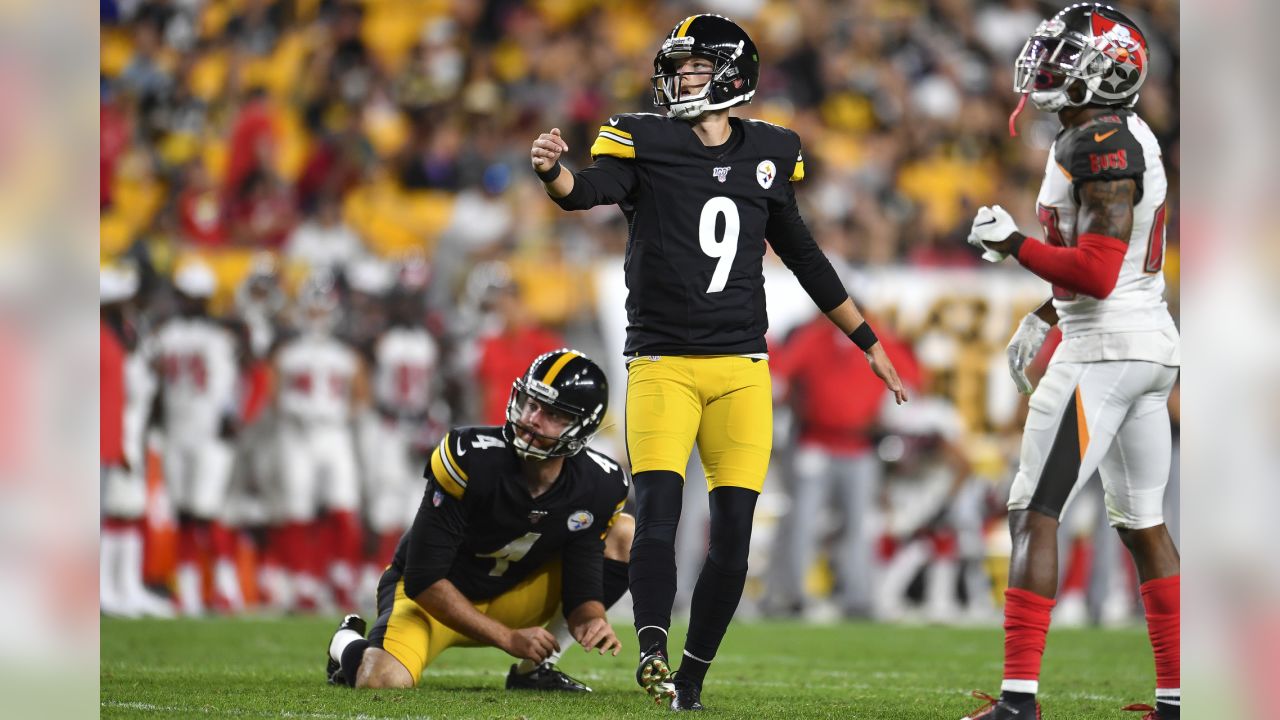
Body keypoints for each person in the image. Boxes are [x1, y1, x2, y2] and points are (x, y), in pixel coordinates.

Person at [530, 13, 907, 710]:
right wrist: (553, 172)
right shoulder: (643, 138)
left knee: (732, 534)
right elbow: (587, 193)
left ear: (731, 74)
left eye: (694, 67)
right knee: (660, 517)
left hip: (741, 369)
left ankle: (691, 681)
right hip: (662, 363)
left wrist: (868, 343)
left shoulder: (771, 150)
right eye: (677, 66)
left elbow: (804, 254)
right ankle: (650, 649)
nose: (678, 78)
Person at [962, 6, 1179, 719]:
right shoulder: (1111, 134)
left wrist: (1012, 244)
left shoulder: (1102, 144)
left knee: (1034, 510)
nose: (1045, 64)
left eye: (1064, 54)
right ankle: (1180, 700)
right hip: (1144, 345)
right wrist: (1046, 311)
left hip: (1105, 350)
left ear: (1107, 67)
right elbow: (1107, 270)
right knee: (1142, 524)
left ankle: (1020, 702)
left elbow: (1095, 269)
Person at [324, 349, 632, 693]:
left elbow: (582, 584)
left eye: (552, 413)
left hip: (512, 594)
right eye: (531, 403)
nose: (532, 418)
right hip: (434, 599)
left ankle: (536, 670)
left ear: (583, 427)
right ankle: (345, 643)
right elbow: (422, 578)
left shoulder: (600, 483)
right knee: (381, 681)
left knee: (625, 533)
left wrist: (591, 619)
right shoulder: (470, 456)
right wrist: (507, 637)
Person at [273, 273, 370, 611]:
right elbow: (274, 395)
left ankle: (342, 576)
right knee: (297, 506)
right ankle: (303, 580)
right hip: (296, 434)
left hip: (334, 433)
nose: (316, 317)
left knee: (343, 503)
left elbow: (360, 396)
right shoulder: (287, 353)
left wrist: (342, 415)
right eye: (311, 311)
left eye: (321, 311)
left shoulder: (345, 355)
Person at [152, 260, 244, 615]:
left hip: (208, 432)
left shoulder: (218, 336)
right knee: (184, 514)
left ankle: (225, 586)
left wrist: (229, 416)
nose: (190, 303)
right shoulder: (167, 335)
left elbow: (232, 383)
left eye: (195, 297)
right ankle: (188, 590)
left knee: (209, 511)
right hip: (178, 430)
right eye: (186, 297)